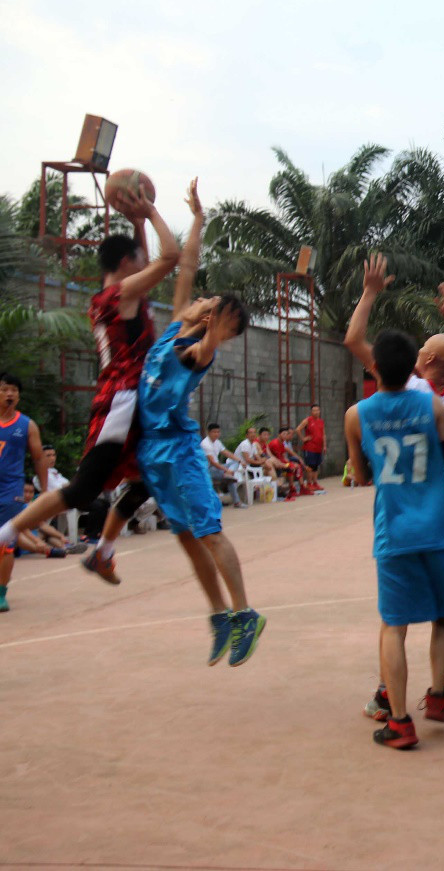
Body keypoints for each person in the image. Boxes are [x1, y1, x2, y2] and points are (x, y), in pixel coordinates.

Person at [0, 183, 186, 583]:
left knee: (151, 478)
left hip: (135, 398)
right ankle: (6, 532)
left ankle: (102, 553)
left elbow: (149, 259)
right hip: (122, 398)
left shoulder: (114, 294)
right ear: (126, 263)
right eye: (139, 258)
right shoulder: (120, 295)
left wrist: (137, 224)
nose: (145, 262)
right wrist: (151, 210)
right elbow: (170, 256)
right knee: (84, 489)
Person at [345, 254, 444, 721]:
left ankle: (390, 695)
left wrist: (370, 291)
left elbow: (353, 340)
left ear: (422, 362)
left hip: (400, 515)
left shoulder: (408, 396)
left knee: (395, 621)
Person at [135, 225, 266, 666]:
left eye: (206, 302)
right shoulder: (175, 325)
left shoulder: (195, 349)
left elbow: (209, 345)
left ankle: (245, 612)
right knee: (187, 538)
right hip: (153, 452)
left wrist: (218, 328)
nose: (196, 297)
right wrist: (193, 217)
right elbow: (187, 266)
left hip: (179, 451)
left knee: (209, 533)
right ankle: (219, 618)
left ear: (210, 319)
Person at [345, 330, 444, 750]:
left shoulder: (357, 414)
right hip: (437, 526)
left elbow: (361, 477)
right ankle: (437, 697)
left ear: (372, 367)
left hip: (394, 529)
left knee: (394, 627)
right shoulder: (431, 403)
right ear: (415, 364)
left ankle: (398, 722)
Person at [0, 372, 49, 612]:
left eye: (14, 391)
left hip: (11, 491)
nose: (10, 394)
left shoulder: (27, 425)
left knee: (5, 543)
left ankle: (1, 593)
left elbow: (39, 459)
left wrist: (46, 492)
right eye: (5, 389)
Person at [200, 424, 248, 509]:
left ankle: (228, 474)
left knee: (235, 463)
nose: (216, 434)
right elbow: (212, 462)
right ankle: (237, 502)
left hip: (219, 468)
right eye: (214, 432)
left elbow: (226, 453)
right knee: (230, 479)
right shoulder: (205, 444)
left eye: (218, 432)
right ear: (208, 433)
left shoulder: (217, 442)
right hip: (208, 470)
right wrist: (226, 469)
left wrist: (240, 461)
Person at [296, 404, 328, 494]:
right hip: (310, 447)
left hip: (318, 447)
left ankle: (315, 483)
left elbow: (323, 434)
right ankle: (309, 483)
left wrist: (324, 446)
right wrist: (303, 438)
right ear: (311, 412)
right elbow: (298, 429)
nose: (316, 412)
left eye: (317, 410)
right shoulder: (307, 420)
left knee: (316, 466)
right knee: (310, 466)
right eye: (314, 410)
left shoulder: (321, 421)